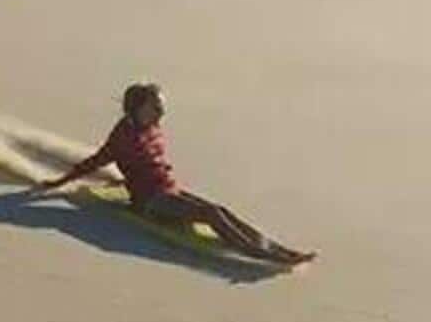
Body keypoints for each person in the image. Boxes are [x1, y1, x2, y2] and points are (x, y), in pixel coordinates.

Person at [37, 83, 314, 265]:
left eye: (161, 106)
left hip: (168, 189)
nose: (161, 111)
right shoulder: (123, 136)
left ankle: (276, 248)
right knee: (211, 215)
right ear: (137, 108)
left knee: (220, 210)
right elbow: (94, 161)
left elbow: (148, 164)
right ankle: (258, 253)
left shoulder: (151, 127)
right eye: (155, 107)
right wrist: (58, 183)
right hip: (151, 202)